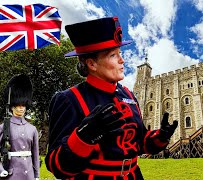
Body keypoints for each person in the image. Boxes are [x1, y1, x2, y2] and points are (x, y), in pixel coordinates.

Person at [45, 17, 178, 180]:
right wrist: (83, 137)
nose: (122, 60)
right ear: (92, 64)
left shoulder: (129, 95)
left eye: (120, 53)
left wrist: (160, 137)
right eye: (113, 55)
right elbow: (56, 166)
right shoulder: (68, 99)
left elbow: (139, 143)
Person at [0, 74, 40, 180]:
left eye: (23, 105)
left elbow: (35, 155)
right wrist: (1, 169)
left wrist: (37, 175)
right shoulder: (4, 127)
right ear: (12, 107)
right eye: (18, 105)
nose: (21, 108)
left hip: (29, 174)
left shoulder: (32, 129)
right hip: (12, 174)